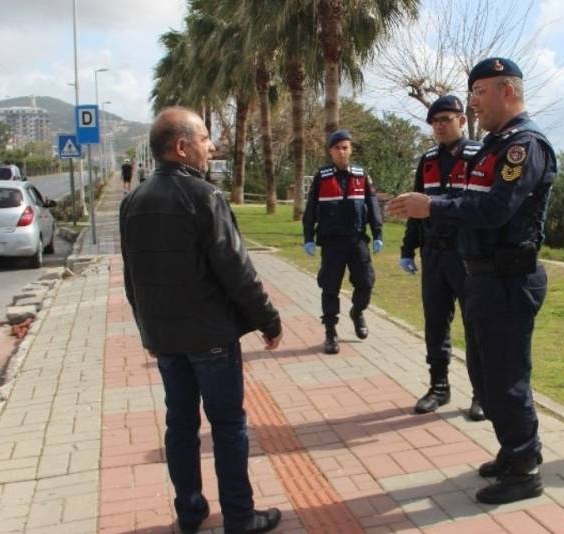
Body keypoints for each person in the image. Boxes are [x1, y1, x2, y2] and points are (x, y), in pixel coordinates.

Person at [387, 57, 557, 505]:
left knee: (508, 378)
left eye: (479, 93)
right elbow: (468, 197)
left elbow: (496, 209)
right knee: (486, 371)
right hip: (481, 276)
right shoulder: (493, 146)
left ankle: (526, 470)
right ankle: (511, 451)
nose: (474, 102)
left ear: (507, 91)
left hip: (508, 278)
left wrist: (433, 207)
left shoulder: (524, 146)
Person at [119, 106, 282, 534]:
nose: (210, 147)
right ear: (181, 146)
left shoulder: (133, 201)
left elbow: (131, 278)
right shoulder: (204, 197)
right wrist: (269, 319)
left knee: (181, 426)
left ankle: (190, 514)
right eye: (205, 138)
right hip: (210, 338)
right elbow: (237, 270)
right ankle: (240, 518)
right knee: (228, 426)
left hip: (167, 339)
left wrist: (146, 331)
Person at [400, 95, 486, 421]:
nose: (440, 126)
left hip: (467, 254)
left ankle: (481, 393)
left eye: (446, 119)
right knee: (436, 323)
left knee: (475, 324)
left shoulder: (480, 155)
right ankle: (439, 387)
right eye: (435, 121)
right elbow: (415, 207)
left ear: (462, 120)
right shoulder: (428, 160)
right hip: (434, 252)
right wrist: (408, 249)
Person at [302, 129, 383, 355]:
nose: (341, 151)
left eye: (345, 147)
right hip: (332, 242)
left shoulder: (361, 174)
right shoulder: (322, 176)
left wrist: (378, 233)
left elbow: (373, 204)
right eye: (337, 147)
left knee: (366, 282)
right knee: (330, 287)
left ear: (351, 149)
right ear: (331, 151)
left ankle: (357, 312)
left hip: (357, 240)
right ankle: (330, 332)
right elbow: (310, 210)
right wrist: (308, 237)